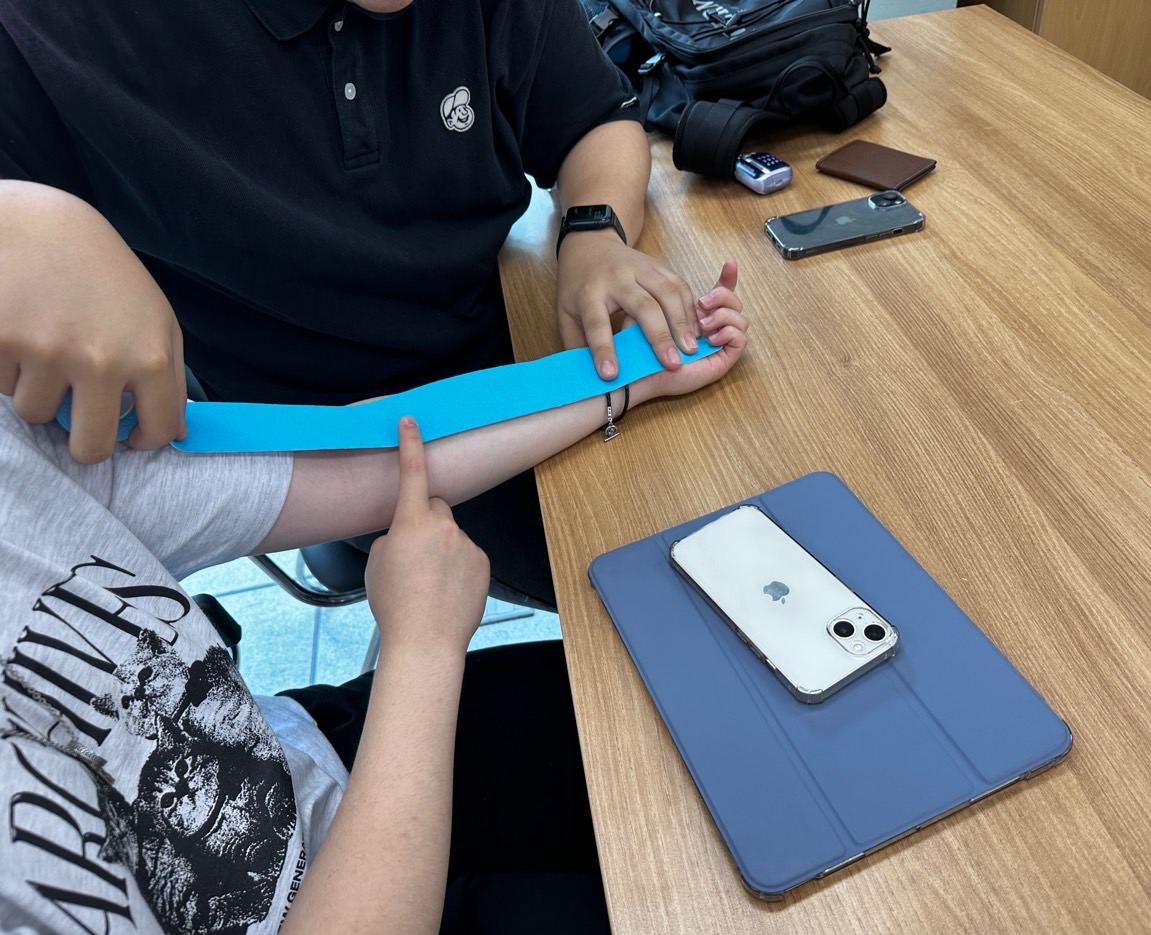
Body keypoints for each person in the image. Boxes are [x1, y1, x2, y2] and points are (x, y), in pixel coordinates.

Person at [0, 268, 748, 935]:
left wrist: (634, 375)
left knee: (687, 700)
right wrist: (421, 650)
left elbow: (366, 464)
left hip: (319, 763)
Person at [0, 0, 713, 610]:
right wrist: (25, 219)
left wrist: (594, 231)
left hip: (515, 341)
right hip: (324, 442)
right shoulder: (59, 31)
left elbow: (593, 115)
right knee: (665, 582)